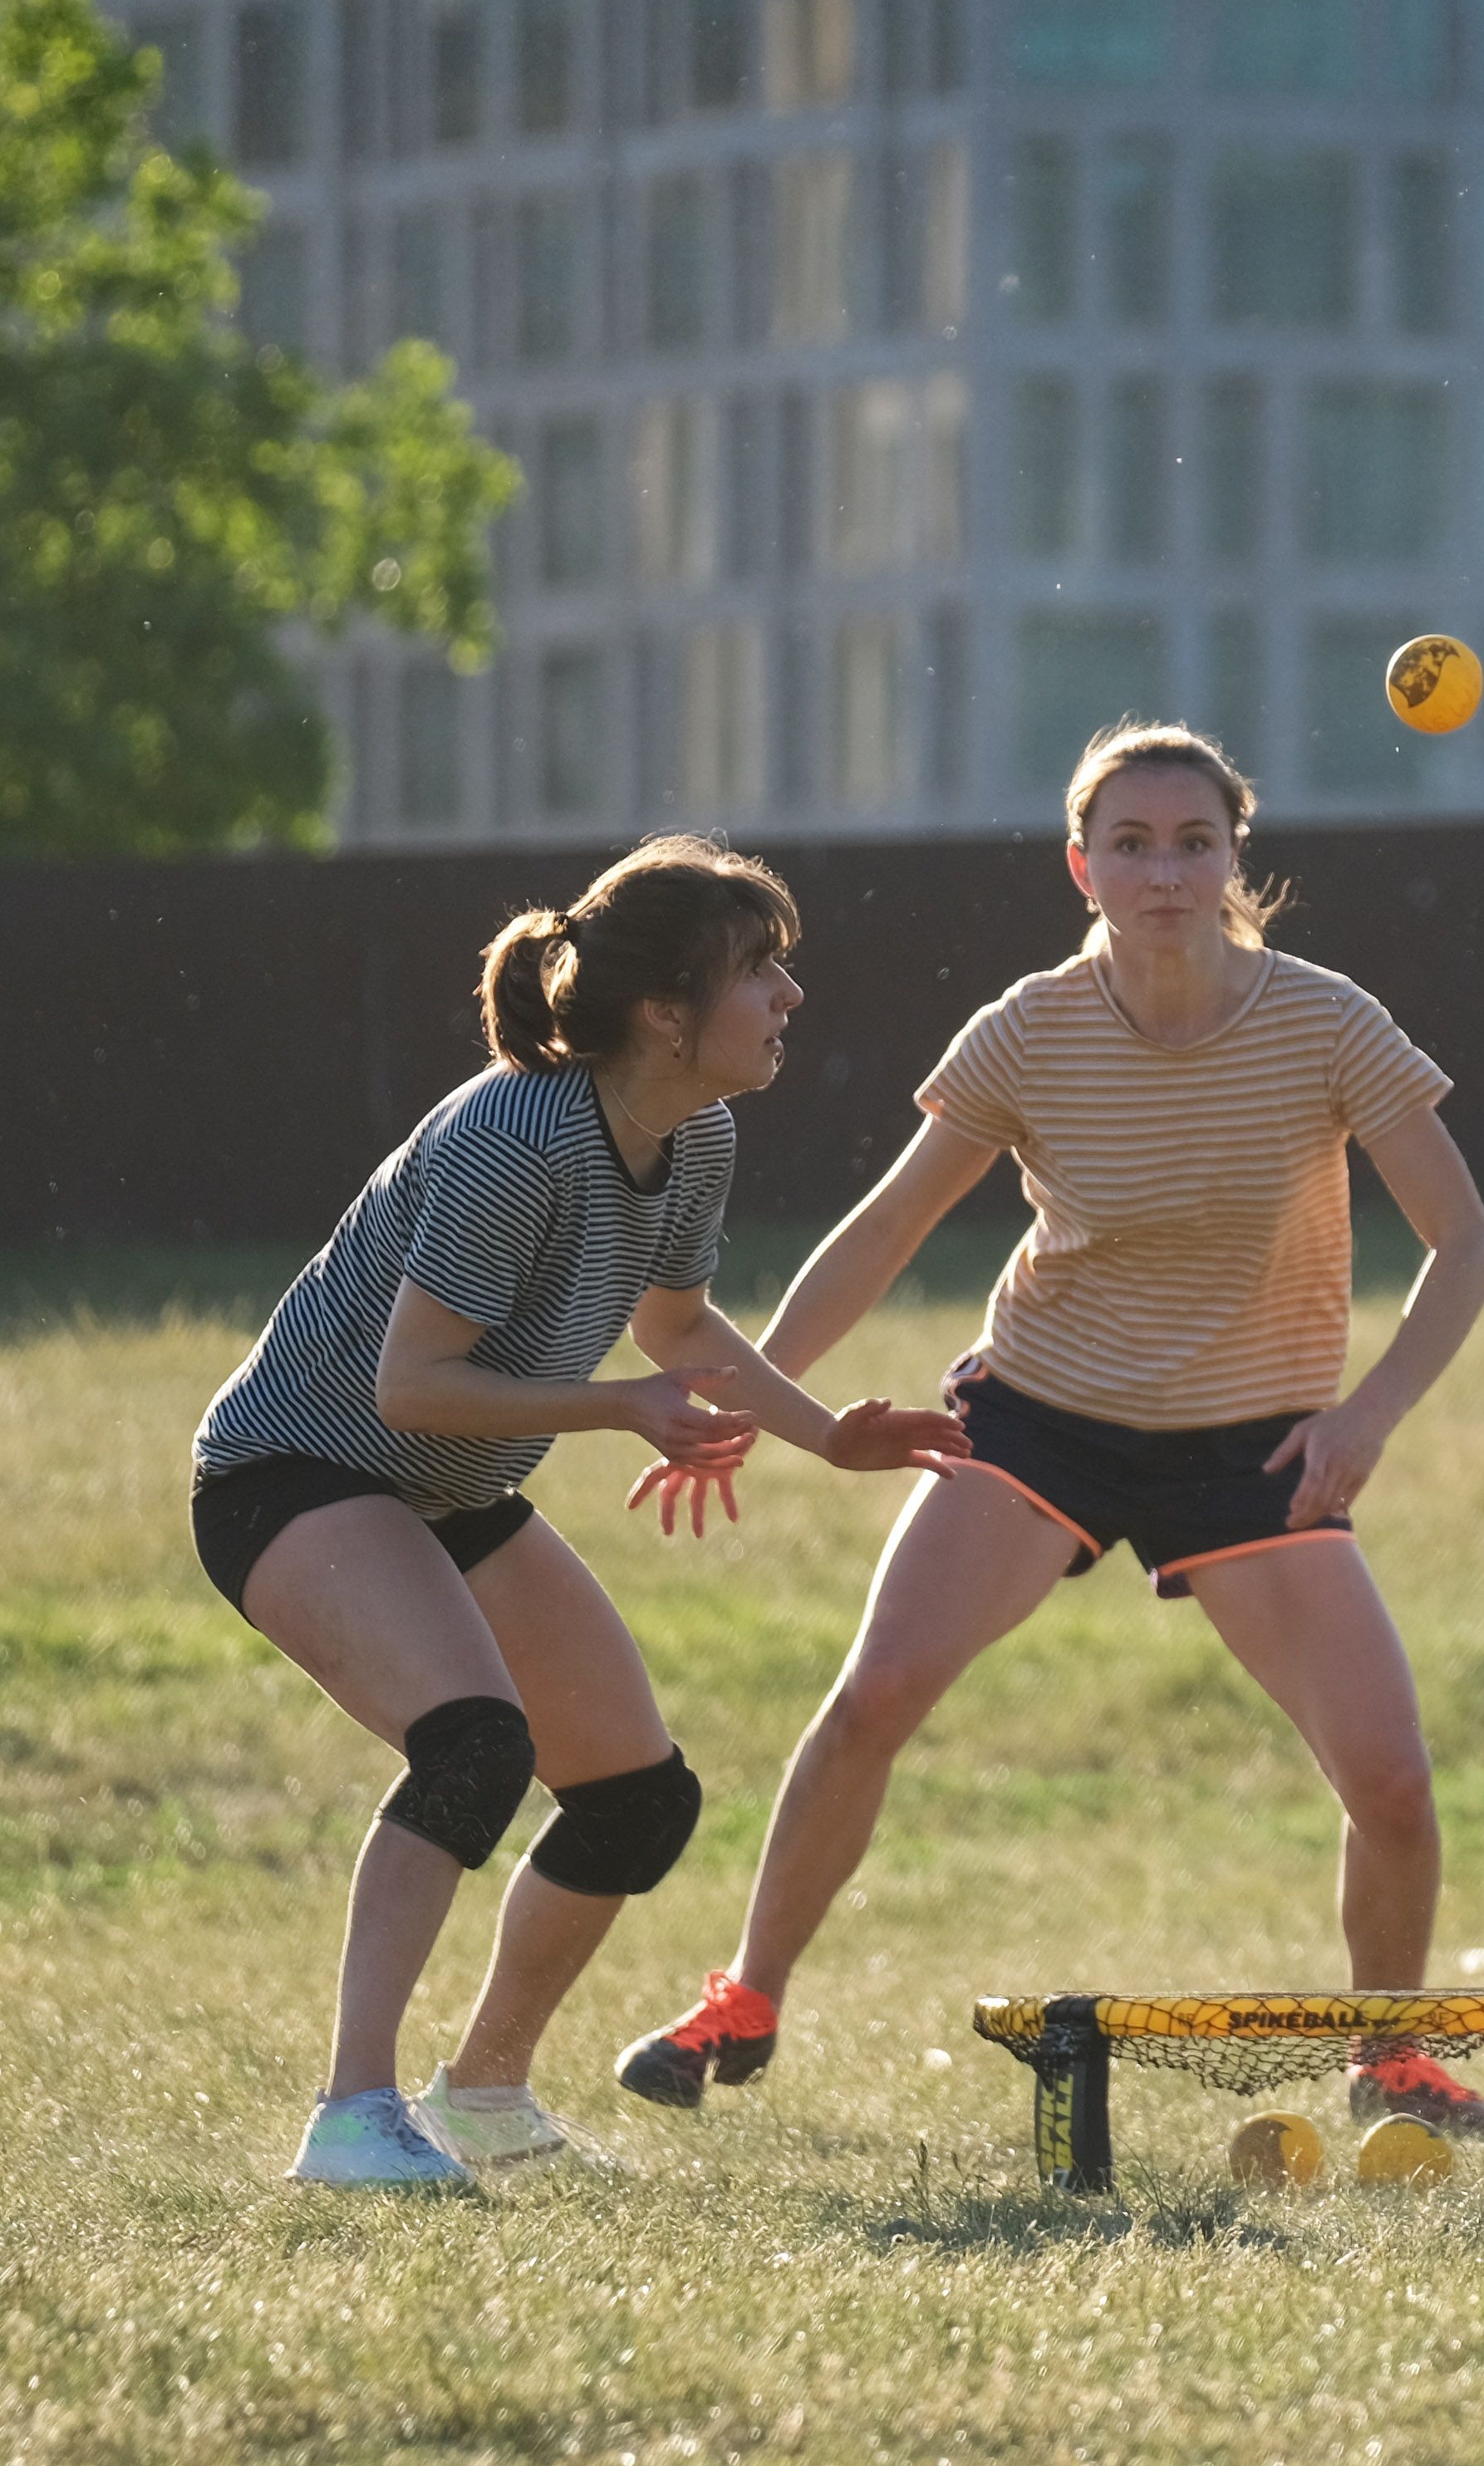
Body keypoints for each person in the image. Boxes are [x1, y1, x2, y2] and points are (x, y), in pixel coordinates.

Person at [614, 723, 1484, 2137]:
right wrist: (753, 1395)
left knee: (1392, 1779)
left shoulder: (1328, 1021)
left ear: (1235, 858)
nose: (1166, 872)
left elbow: (1464, 1246)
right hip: (1042, 1419)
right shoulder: (1028, 1029)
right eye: (1134, 845)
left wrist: (1371, 1416)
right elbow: (886, 1231)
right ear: (1081, 866)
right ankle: (745, 1995)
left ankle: (1389, 2056)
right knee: (876, 1695)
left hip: (1256, 1443)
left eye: (1195, 843)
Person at [196, 837, 970, 2188]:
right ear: (665, 1013)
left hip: (447, 1488)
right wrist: (620, 1410)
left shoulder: (695, 1130)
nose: (790, 997)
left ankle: (486, 2096)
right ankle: (352, 2117)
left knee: (636, 1801)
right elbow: (413, 1386)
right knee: (475, 1748)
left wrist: (826, 1435)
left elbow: (678, 1325)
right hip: (297, 1473)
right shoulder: (514, 1134)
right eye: (759, 972)